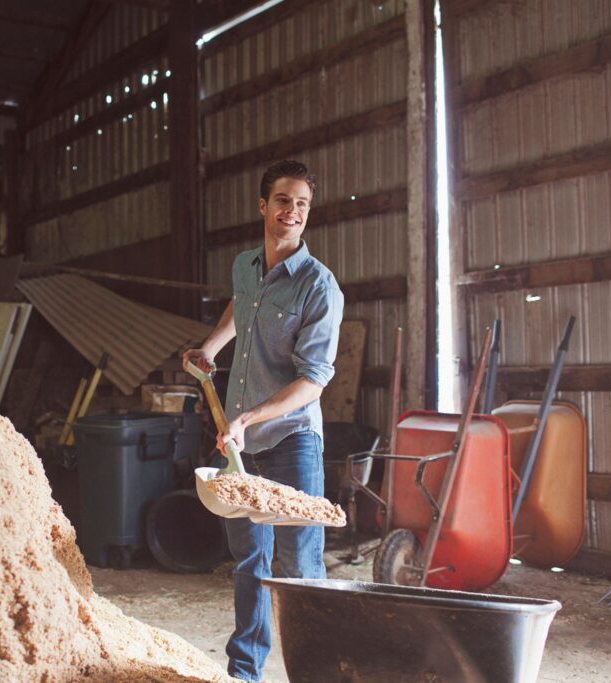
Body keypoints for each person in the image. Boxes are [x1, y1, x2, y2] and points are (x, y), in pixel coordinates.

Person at [183, 159, 344, 682]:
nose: (292, 212)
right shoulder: (245, 266)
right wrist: (209, 348)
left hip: (291, 440)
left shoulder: (319, 287)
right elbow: (242, 305)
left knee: (300, 566)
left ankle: (316, 673)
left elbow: (314, 381)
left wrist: (249, 416)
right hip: (240, 446)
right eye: (283, 201)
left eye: (301, 204)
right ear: (263, 206)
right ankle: (244, 674)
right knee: (250, 562)